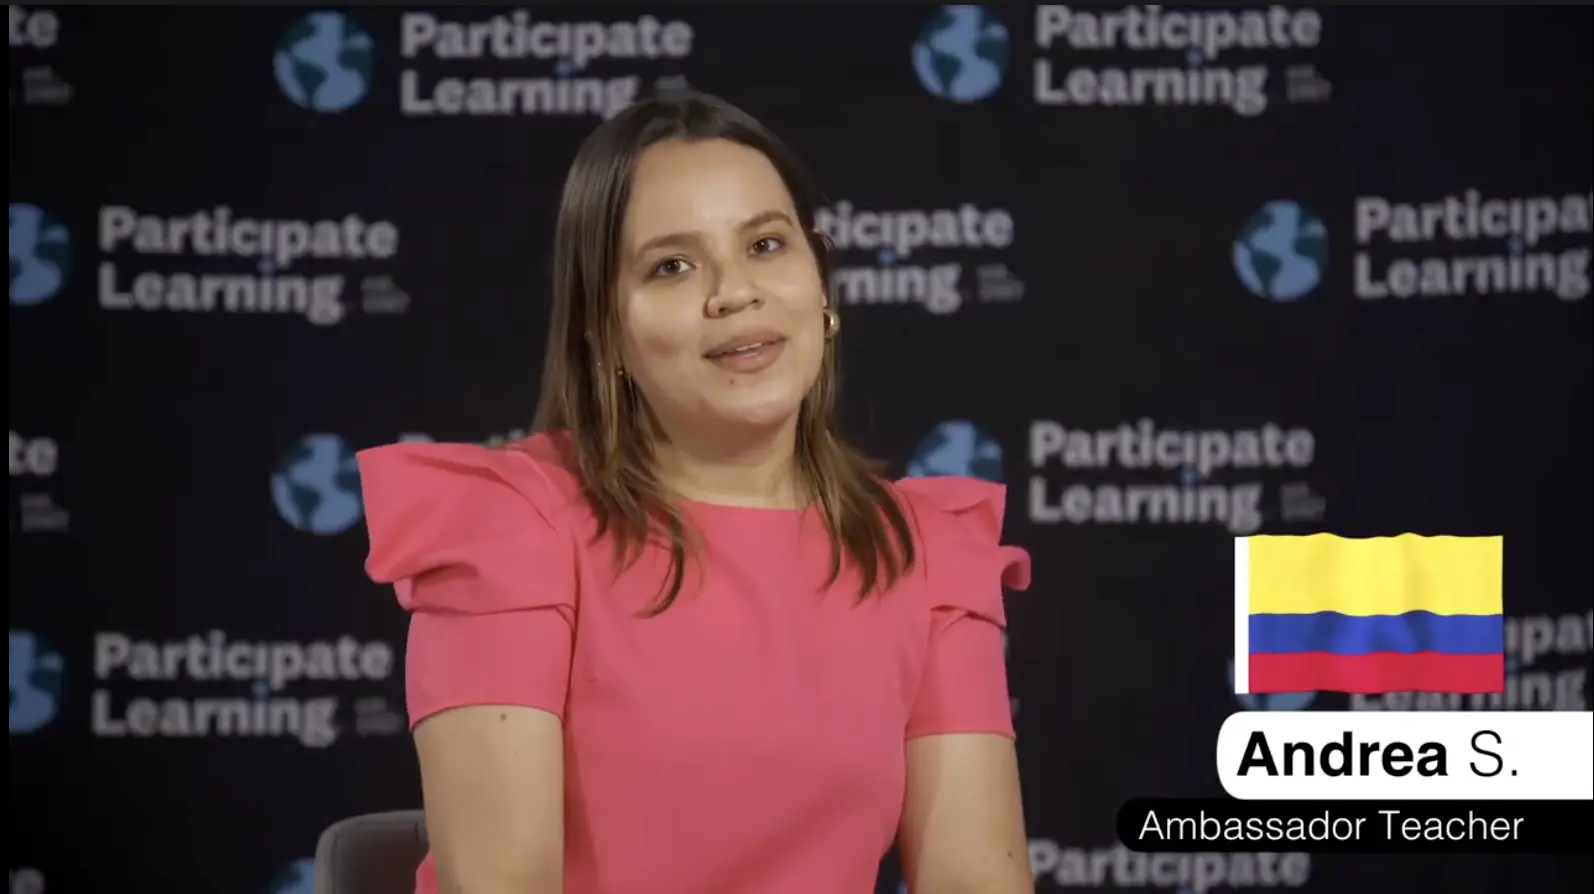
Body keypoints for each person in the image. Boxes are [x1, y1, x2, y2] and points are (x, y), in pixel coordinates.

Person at [356, 90, 1035, 894]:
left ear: (822, 287)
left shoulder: (922, 550)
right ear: (603, 329)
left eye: (767, 245)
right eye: (672, 266)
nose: (734, 292)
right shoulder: (513, 529)